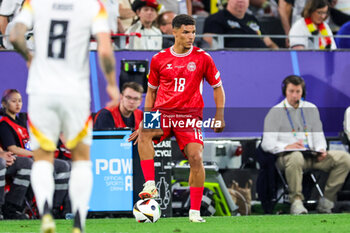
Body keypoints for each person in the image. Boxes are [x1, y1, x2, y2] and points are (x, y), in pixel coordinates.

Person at [10, 0, 119, 232]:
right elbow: (105, 48)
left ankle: (46, 214)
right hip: (75, 93)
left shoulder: (35, 2)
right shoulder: (93, 6)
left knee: (42, 158)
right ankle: (78, 222)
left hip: (41, 90)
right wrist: (111, 84)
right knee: (81, 159)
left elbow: (15, 35)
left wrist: (30, 59)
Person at [129, 14, 225, 223]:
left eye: (193, 32)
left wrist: (219, 115)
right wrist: (147, 120)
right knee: (143, 131)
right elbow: (151, 93)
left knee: (196, 158)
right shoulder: (159, 59)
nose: (191, 37)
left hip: (189, 116)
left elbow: (217, 88)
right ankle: (150, 185)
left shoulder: (203, 58)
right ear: (174, 32)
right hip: (164, 114)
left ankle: (195, 212)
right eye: (186, 32)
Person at [261, 75, 350, 214]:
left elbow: (318, 135)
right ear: (285, 91)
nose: (294, 95)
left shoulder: (311, 108)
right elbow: (266, 143)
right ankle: (296, 202)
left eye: (298, 92)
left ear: (303, 92)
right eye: (291, 91)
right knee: (296, 156)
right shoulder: (275, 112)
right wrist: (286, 147)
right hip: (287, 157)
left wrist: (321, 150)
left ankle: (327, 201)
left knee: (345, 159)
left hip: (312, 156)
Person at [0, 89, 71, 219]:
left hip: (29, 157)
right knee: (28, 164)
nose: (18, 104)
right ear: (4, 104)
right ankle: (12, 206)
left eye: (20, 101)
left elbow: (27, 144)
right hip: (15, 160)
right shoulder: (4, 124)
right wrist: (34, 154)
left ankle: (54, 209)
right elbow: (13, 148)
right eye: (13, 101)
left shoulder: (20, 122)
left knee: (64, 166)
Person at [202, 0, 278, 49]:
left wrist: (277, 55)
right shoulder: (215, 19)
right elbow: (210, 46)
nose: (241, 1)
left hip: (262, 60)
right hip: (233, 63)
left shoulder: (252, 19)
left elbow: (269, 43)